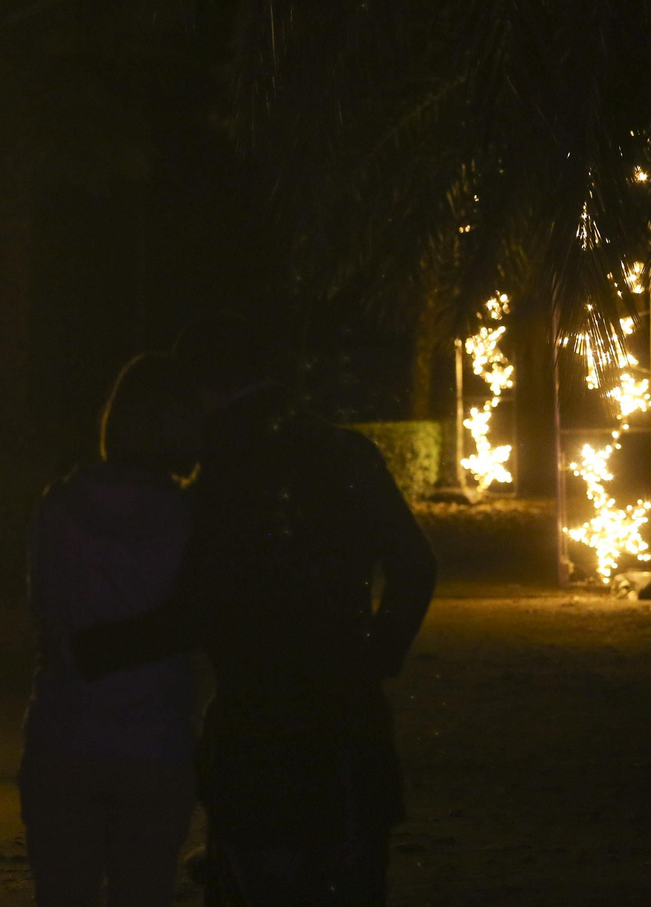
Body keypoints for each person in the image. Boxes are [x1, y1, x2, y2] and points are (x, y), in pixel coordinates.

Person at [73, 317, 437, 906]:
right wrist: (374, 655)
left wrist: (94, 650)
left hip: (260, 728)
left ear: (202, 389)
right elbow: (415, 566)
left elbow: (199, 606)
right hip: (352, 722)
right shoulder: (346, 451)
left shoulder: (219, 473)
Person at [19, 352, 204, 907]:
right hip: (155, 738)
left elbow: (42, 607)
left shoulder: (60, 503)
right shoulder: (189, 517)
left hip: (64, 730)